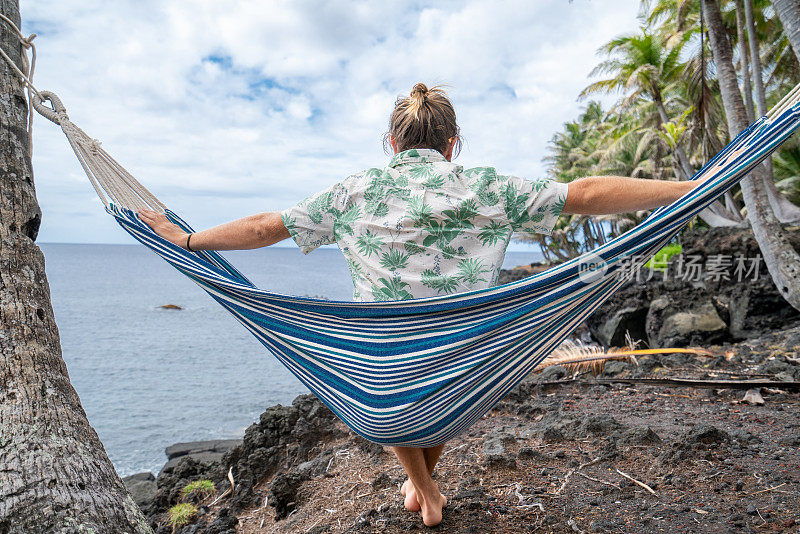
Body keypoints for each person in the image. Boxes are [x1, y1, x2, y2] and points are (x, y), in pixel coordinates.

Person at [138, 83, 697, 527]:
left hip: (380, 354)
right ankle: (426, 487)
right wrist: (685, 189)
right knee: (438, 389)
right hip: (468, 349)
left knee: (394, 391)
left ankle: (423, 489)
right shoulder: (488, 186)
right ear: (453, 144)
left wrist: (186, 239)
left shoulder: (355, 191)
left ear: (392, 145)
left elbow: (265, 228)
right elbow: (589, 193)